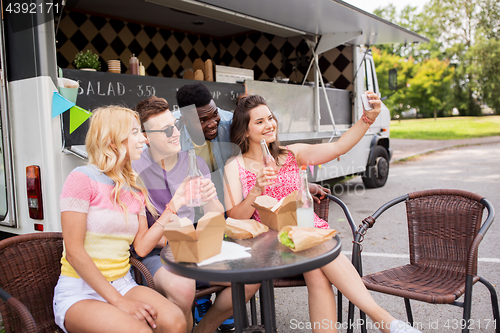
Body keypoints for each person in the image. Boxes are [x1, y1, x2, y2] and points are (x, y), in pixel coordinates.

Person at [223, 94, 422, 333]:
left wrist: (367, 119)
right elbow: (235, 217)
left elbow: (338, 147)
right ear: (245, 131)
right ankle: (384, 321)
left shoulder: (290, 154)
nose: (269, 125)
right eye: (259, 122)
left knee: (316, 269)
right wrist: (256, 189)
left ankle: (384, 322)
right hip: (269, 246)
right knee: (318, 252)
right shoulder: (235, 166)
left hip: (307, 236)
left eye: (270, 118)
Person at [132, 96, 260, 333]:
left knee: (251, 277)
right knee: (184, 287)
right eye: (165, 130)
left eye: (176, 126)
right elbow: (142, 242)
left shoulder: (194, 162)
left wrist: (211, 200)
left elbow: (215, 221)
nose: (175, 133)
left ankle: (203, 330)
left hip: (193, 247)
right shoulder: (134, 172)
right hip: (157, 255)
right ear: (146, 138)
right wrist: (180, 234)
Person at [54, 106, 186, 333]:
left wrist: (174, 206)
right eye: (135, 132)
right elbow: (74, 252)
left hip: (124, 284)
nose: (144, 139)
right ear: (113, 140)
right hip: (80, 291)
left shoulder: (134, 187)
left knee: (176, 321)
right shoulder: (81, 179)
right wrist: (119, 301)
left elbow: (142, 247)